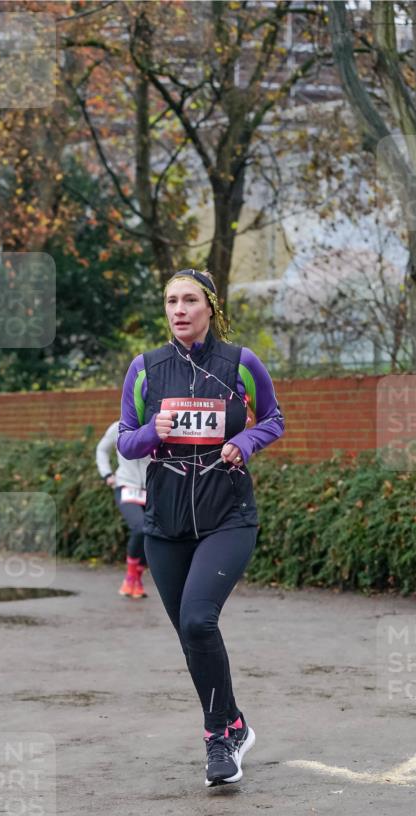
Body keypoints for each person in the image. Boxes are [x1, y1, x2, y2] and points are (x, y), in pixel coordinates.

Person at [117, 268, 284, 787]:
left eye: (190, 300)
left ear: (210, 307)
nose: (179, 309)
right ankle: (233, 722)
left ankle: (219, 738)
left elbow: (274, 419)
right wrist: (151, 431)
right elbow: (125, 441)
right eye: (171, 301)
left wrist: (247, 442)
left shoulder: (241, 363)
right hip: (164, 525)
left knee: (197, 621)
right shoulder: (145, 369)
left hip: (227, 518)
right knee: (191, 636)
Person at [95, 421, 150, 598]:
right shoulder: (118, 426)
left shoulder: (157, 425)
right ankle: (130, 576)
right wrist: (107, 474)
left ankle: (138, 579)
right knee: (140, 528)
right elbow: (102, 449)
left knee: (152, 534)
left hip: (153, 491)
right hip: (126, 486)